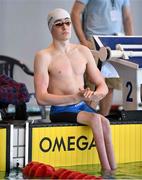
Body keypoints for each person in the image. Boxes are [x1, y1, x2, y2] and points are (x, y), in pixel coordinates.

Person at [34, 8, 116, 176]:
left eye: (67, 22)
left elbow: (102, 85)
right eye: (59, 24)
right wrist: (73, 97)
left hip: (81, 106)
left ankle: (114, 171)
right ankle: (105, 172)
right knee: (95, 119)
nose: (65, 27)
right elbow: (41, 98)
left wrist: (94, 95)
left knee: (105, 122)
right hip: (61, 110)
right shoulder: (44, 56)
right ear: (51, 28)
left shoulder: (83, 51)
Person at [71, 0, 134, 116]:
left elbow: (127, 18)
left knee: (110, 86)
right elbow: (75, 13)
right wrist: (83, 41)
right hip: (95, 40)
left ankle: (103, 119)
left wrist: (129, 42)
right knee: (93, 85)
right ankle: (87, 120)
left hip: (116, 42)